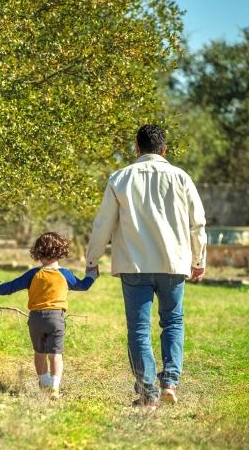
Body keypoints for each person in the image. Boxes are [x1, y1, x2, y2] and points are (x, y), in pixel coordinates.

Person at [85, 124, 207, 410]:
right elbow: (197, 223)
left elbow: (103, 224)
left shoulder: (121, 178)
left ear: (136, 149)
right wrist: (198, 260)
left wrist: (92, 260)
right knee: (173, 322)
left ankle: (148, 392)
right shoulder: (182, 178)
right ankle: (171, 383)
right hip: (174, 263)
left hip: (135, 264)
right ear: (164, 150)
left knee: (139, 329)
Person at [0, 232, 97, 399]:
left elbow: (11, 286)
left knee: (39, 353)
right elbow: (82, 286)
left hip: (35, 319)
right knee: (56, 355)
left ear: (38, 252)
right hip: (56, 319)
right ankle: (55, 387)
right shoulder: (65, 274)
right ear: (61, 252)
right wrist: (91, 276)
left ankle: (43, 383)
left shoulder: (33, 274)